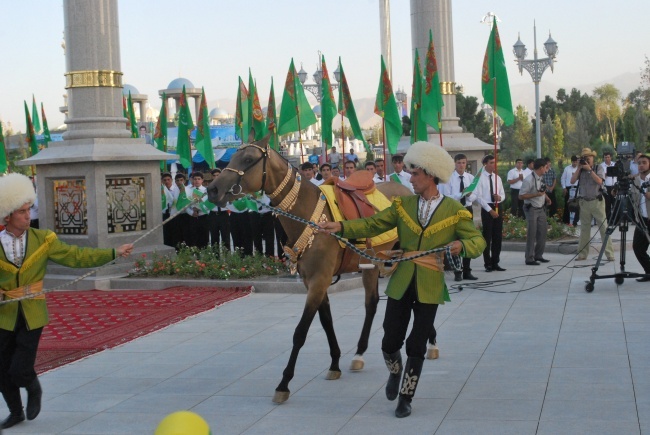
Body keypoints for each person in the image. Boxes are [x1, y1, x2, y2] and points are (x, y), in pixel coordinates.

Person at [317, 141, 485, 418]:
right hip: (401, 279)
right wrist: (341, 226)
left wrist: (462, 247)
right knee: (389, 342)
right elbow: (373, 224)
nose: (410, 178)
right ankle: (395, 372)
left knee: (416, 344)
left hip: (430, 283)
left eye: (415, 173)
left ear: (430, 175)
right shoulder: (403, 205)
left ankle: (406, 396)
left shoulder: (454, 210)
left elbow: (477, 240)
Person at [0, 173, 133, 429]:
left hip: (32, 311)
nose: (28, 215)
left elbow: (76, 256)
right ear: (8, 215)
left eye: (29, 210)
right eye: (22, 212)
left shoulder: (43, 239)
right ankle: (16, 411)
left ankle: (33, 387)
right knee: (2, 368)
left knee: (19, 369)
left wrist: (113, 252)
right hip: (3, 314)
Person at [439, 153, 479, 281]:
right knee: (455, 240)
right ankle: (457, 270)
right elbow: (446, 196)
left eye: (463, 163)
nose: (461, 165)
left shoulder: (470, 177)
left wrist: (469, 195)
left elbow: (475, 196)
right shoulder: (449, 178)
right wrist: (461, 194)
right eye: (459, 163)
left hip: (467, 209)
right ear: (454, 164)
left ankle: (467, 270)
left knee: (467, 239)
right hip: (455, 210)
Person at [571, 148, 615, 261]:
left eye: (588, 157)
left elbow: (600, 181)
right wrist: (580, 168)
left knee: (604, 228)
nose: (586, 159)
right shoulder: (580, 170)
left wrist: (589, 170)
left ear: (592, 158)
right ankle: (582, 254)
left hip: (597, 201)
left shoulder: (598, 167)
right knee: (584, 229)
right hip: (584, 202)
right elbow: (572, 181)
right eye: (584, 157)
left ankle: (609, 254)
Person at [475, 155, 506, 272]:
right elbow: (479, 197)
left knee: (497, 236)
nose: (494, 165)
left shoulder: (497, 178)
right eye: (492, 162)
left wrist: (500, 197)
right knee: (487, 237)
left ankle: (495, 262)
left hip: (497, 205)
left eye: (495, 162)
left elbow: (503, 194)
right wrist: (490, 210)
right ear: (485, 164)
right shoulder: (480, 178)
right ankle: (487, 263)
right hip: (487, 207)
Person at [519, 158, 552, 265]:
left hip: (541, 207)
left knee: (542, 232)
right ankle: (529, 258)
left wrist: (546, 198)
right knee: (531, 233)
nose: (547, 169)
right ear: (541, 168)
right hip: (531, 208)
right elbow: (521, 196)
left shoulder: (541, 177)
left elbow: (542, 190)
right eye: (546, 167)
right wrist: (536, 195)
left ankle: (538, 255)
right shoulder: (528, 179)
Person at [632, 154, 650, 282]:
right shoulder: (635, 180)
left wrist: (644, 190)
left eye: (644, 162)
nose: (641, 165)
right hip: (641, 219)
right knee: (638, 248)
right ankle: (648, 272)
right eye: (639, 163)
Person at [184, 172, 209, 249]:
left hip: (203, 216)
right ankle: (195, 255)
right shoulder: (189, 191)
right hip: (192, 217)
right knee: (193, 237)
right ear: (192, 180)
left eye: (199, 179)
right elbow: (185, 205)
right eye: (195, 179)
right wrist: (191, 212)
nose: (197, 181)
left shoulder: (206, 191)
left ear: (202, 180)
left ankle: (205, 254)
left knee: (204, 237)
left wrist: (200, 208)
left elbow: (209, 204)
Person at [207, 169, 231, 250]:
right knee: (214, 238)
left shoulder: (226, 188)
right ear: (212, 177)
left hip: (224, 214)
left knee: (226, 237)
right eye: (214, 175)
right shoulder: (209, 188)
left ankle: (227, 256)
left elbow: (230, 201)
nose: (216, 177)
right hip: (213, 214)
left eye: (218, 175)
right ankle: (215, 257)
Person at [561, 156, 580, 226]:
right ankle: (566, 220)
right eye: (573, 162)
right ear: (571, 162)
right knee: (568, 204)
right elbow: (563, 178)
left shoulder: (579, 168)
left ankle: (575, 221)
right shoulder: (567, 168)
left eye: (576, 162)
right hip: (569, 188)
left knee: (576, 205)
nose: (575, 163)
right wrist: (564, 187)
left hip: (577, 188)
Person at [161, 172, 177, 247]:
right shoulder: (160, 190)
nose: (167, 181)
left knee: (174, 233)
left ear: (171, 180)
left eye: (168, 179)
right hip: (164, 214)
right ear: (162, 181)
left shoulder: (176, 189)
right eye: (165, 180)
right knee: (165, 233)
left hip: (174, 214)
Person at [600, 151, 617, 219]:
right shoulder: (601, 166)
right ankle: (608, 219)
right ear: (603, 158)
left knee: (615, 203)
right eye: (605, 157)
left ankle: (615, 219)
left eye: (608, 157)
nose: (607, 159)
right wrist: (607, 174)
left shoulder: (615, 164)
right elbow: (601, 176)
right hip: (606, 186)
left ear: (611, 157)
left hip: (614, 186)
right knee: (607, 204)